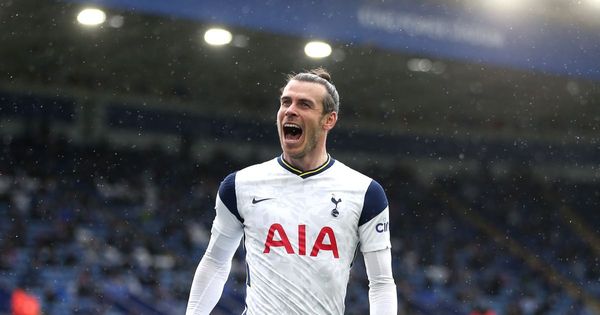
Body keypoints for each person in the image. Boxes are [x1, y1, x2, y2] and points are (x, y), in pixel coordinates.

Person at [186, 68, 397, 314]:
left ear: (329, 119)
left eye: (304, 104)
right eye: (286, 102)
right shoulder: (239, 185)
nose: (290, 110)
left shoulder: (365, 193)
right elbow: (215, 262)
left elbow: (381, 283)